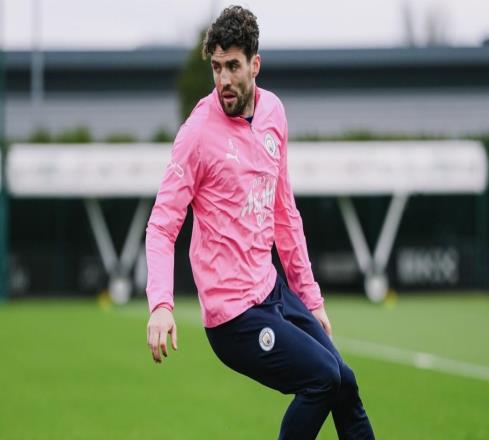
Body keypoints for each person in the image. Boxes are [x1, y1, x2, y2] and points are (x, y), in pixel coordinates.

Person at [145, 6, 375, 439]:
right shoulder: (197, 134)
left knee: (344, 382)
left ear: (255, 64)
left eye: (233, 66)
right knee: (322, 378)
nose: (223, 80)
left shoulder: (274, 113)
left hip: (273, 292)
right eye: (216, 68)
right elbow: (161, 225)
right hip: (233, 318)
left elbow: (284, 213)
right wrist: (160, 304)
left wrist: (311, 298)